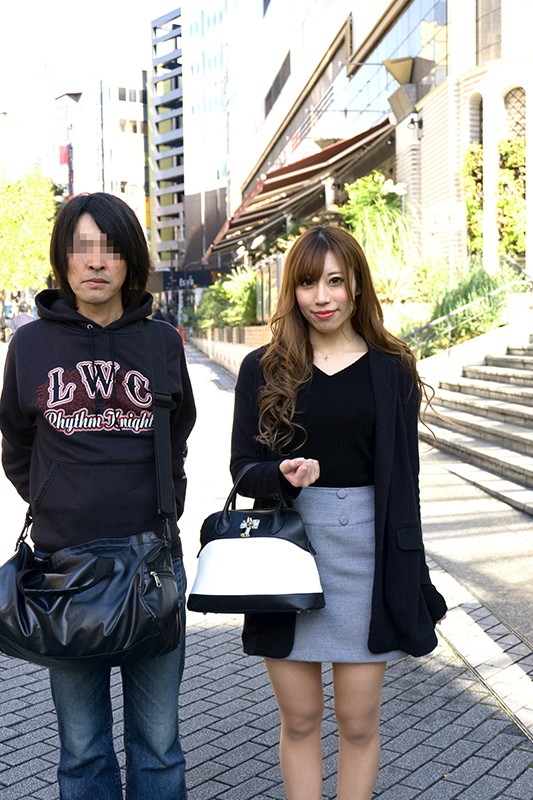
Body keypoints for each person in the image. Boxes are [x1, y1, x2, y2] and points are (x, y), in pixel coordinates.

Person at [230, 225, 447, 800]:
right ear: (292, 291)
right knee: (300, 719)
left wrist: (413, 572)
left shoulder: (392, 367)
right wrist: (280, 475)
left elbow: (405, 484)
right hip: (287, 554)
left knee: (357, 722)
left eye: (335, 281)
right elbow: (242, 469)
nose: (321, 297)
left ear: (357, 285)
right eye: (307, 284)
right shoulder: (263, 367)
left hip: (367, 558)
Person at [0, 192, 196, 800]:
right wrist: (57, 502)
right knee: (82, 751)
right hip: (65, 571)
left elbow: (177, 436)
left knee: (159, 748)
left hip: (151, 566)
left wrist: (160, 508)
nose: (94, 262)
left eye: (109, 248)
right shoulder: (30, 346)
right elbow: (17, 445)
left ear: (130, 259)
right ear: (62, 258)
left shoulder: (161, 343)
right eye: (80, 247)